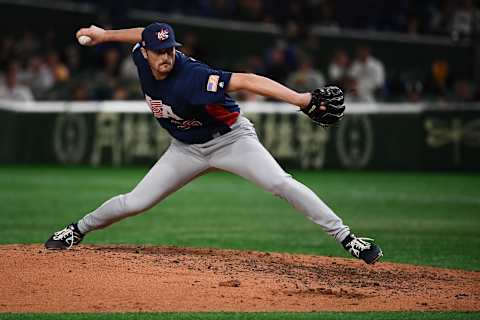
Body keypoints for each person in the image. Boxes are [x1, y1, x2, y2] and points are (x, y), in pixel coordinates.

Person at [44, 23, 383, 264]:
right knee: (135, 202)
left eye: (169, 50)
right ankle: (77, 230)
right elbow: (141, 32)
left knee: (280, 183)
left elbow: (248, 80)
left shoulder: (192, 77)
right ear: (144, 52)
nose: (166, 56)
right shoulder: (141, 57)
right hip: (185, 149)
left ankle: (347, 238)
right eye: (158, 51)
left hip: (232, 140)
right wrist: (106, 36)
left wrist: (301, 98)